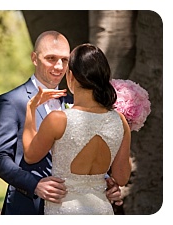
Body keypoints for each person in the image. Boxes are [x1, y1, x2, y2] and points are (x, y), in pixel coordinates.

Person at [0, 30, 121, 215]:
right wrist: (34, 185)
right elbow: (0, 159)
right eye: (51, 58)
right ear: (34, 58)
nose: (59, 66)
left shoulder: (79, 100)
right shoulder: (11, 101)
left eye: (65, 60)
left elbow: (85, 149)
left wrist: (104, 182)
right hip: (28, 206)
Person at [22, 43, 131, 214]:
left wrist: (30, 108)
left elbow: (29, 155)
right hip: (102, 210)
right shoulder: (120, 121)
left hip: (64, 210)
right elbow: (122, 177)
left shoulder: (58, 119)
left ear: (70, 75)